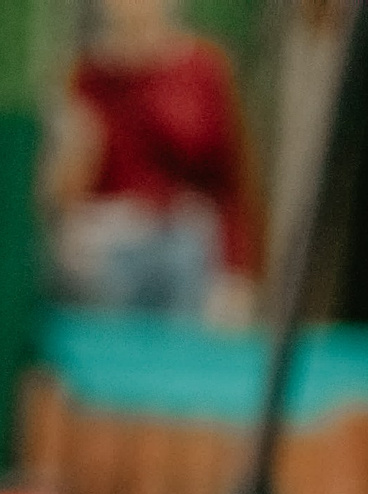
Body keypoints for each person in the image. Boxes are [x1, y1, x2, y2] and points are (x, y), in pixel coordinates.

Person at [46, 0, 260, 322]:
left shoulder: (204, 69)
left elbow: (231, 181)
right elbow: (67, 195)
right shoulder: (86, 77)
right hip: (109, 254)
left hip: (186, 247)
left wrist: (237, 274)